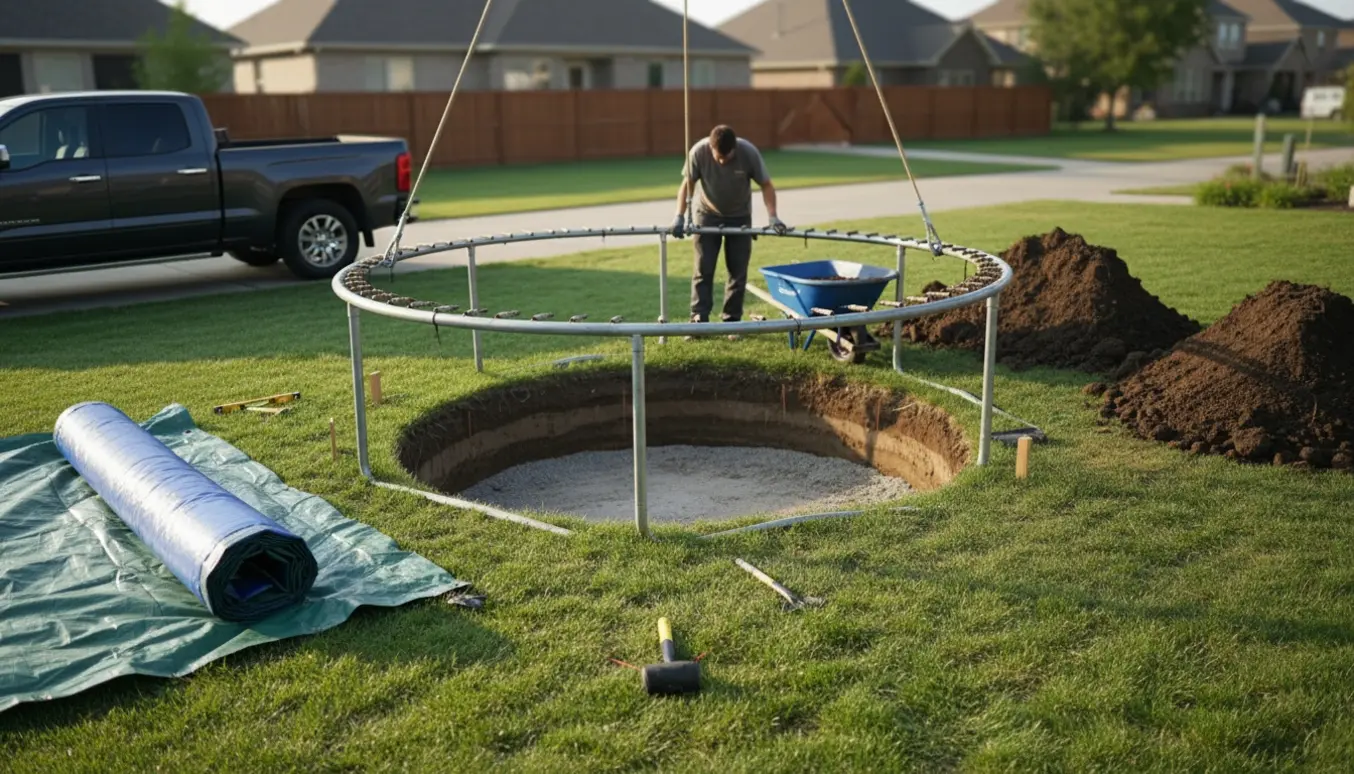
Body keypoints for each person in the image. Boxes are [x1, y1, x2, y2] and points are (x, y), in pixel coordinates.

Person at [670, 125, 787, 336]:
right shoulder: (698, 151)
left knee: (737, 272)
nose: (722, 160)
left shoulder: (748, 152)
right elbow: (687, 184)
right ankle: (699, 320)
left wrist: (773, 217)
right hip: (706, 215)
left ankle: (731, 321)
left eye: (727, 156)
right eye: (718, 156)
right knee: (703, 270)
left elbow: (766, 184)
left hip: (739, 217)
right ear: (711, 148)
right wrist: (679, 216)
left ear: (734, 148)